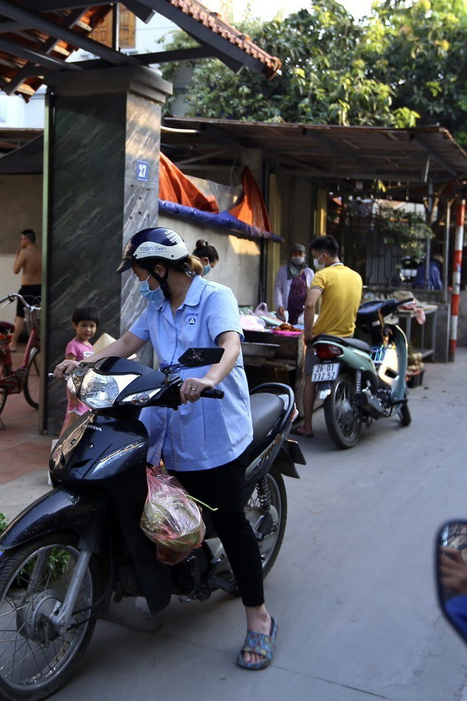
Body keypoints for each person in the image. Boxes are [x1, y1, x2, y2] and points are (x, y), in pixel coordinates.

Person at [53, 226, 276, 671]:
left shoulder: (215, 298)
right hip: (165, 424)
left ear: (159, 267)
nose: (138, 281)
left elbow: (230, 346)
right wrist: (84, 364)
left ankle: (260, 619)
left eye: (138, 272)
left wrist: (208, 379)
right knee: (151, 505)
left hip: (212, 430)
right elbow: (126, 345)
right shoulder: (155, 302)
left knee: (229, 520)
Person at [295, 235, 363, 438]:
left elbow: (309, 305)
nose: (316, 261)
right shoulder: (356, 277)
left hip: (323, 338)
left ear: (324, 256)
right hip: (347, 339)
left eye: (316, 257)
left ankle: (307, 425)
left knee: (309, 379)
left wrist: (308, 335)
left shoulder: (322, 275)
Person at [60, 306, 99, 436]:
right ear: (75, 325)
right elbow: (69, 369)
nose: (88, 329)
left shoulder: (89, 345)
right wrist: (72, 394)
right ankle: (57, 451)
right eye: (84, 325)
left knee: (81, 421)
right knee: (72, 420)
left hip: (85, 390)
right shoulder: (73, 345)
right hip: (76, 391)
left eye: (92, 326)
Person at [11, 228, 42, 352]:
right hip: (40, 289)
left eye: (22, 239)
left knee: (20, 317)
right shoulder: (41, 253)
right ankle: (36, 343)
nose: (21, 241)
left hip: (27, 288)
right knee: (36, 318)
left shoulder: (24, 252)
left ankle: (13, 344)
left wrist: (17, 257)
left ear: (27, 239)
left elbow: (15, 270)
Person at [273, 244, 315, 324]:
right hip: (286, 310)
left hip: (303, 312)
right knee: (286, 330)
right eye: (295, 254)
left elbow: (313, 291)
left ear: (304, 255)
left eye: (300, 254)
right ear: (291, 255)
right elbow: (277, 289)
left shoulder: (309, 272)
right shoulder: (283, 271)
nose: (298, 256)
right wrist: (279, 305)